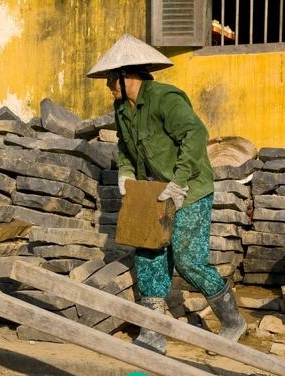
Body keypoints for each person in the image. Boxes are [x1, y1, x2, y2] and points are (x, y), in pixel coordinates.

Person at [87, 34, 246, 354]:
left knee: (188, 260)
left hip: (190, 188)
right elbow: (126, 147)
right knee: (149, 253)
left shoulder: (165, 98)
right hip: (155, 191)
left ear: (126, 74)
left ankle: (232, 321)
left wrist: (179, 181)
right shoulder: (122, 110)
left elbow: (195, 133)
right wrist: (127, 174)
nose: (108, 86)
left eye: (109, 79)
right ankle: (153, 328)